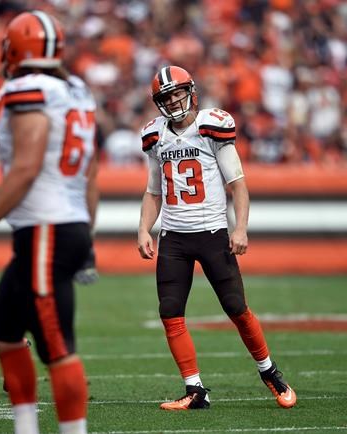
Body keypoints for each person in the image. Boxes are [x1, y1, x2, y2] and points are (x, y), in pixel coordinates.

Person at [0, 10, 98, 434]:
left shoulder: (27, 87)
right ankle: (26, 428)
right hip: (64, 225)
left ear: (19, 47)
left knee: (56, 345)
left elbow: (26, 167)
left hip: (45, 230)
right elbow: (91, 174)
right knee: (3, 328)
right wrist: (87, 236)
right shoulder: (75, 90)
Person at [137, 65, 297, 410]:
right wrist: (143, 229)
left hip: (212, 232)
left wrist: (240, 227)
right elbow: (153, 192)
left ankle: (268, 370)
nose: (175, 100)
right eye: (167, 96)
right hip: (174, 236)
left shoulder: (212, 126)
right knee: (170, 312)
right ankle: (194, 389)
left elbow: (237, 184)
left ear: (191, 92)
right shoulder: (154, 136)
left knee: (236, 308)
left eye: (178, 93)